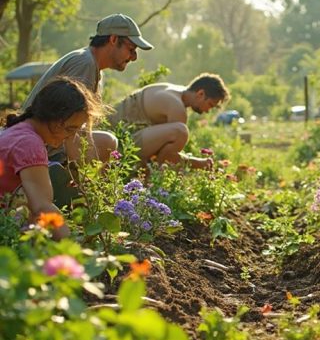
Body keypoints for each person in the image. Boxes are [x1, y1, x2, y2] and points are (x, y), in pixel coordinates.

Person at [23, 13, 153, 165]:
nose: (134, 57)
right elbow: (68, 126)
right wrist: (84, 181)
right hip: (40, 146)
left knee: (104, 141)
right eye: (131, 49)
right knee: (108, 143)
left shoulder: (93, 67)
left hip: (48, 143)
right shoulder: (85, 63)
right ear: (113, 39)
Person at [0, 78, 102, 239]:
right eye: (71, 129)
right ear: (55, 120)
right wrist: (73, 249)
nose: (71, 137)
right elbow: (42, 207)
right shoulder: (30, 144)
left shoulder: (19, 131)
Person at [109, 73, 230, 169]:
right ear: (200, 93)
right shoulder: (177, 108)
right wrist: (201, 164)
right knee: (180, 132)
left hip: (115, 136)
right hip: (118, 146)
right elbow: (166, 158)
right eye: (210, 104)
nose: (208, 110)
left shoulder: (172, 89)